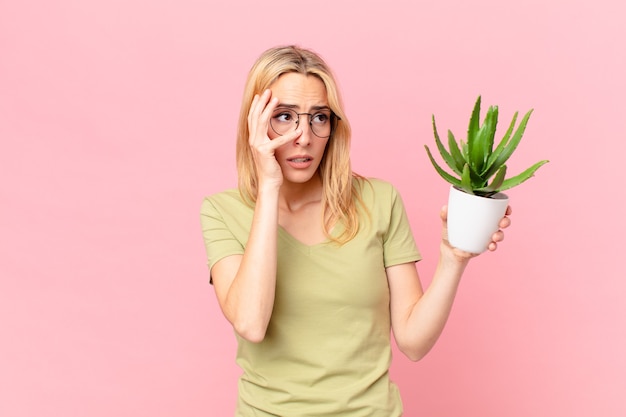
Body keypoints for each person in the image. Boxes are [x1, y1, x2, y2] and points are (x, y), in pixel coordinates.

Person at [200, 45, 511, 416]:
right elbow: (251, 323)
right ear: (255, 123)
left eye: (319, 118)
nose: (304, 137)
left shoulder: (379, 200)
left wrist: (453, 258)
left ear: (333, 125)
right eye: (284, 116)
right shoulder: (222, 210)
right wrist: (269, 188)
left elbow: (413, 342)